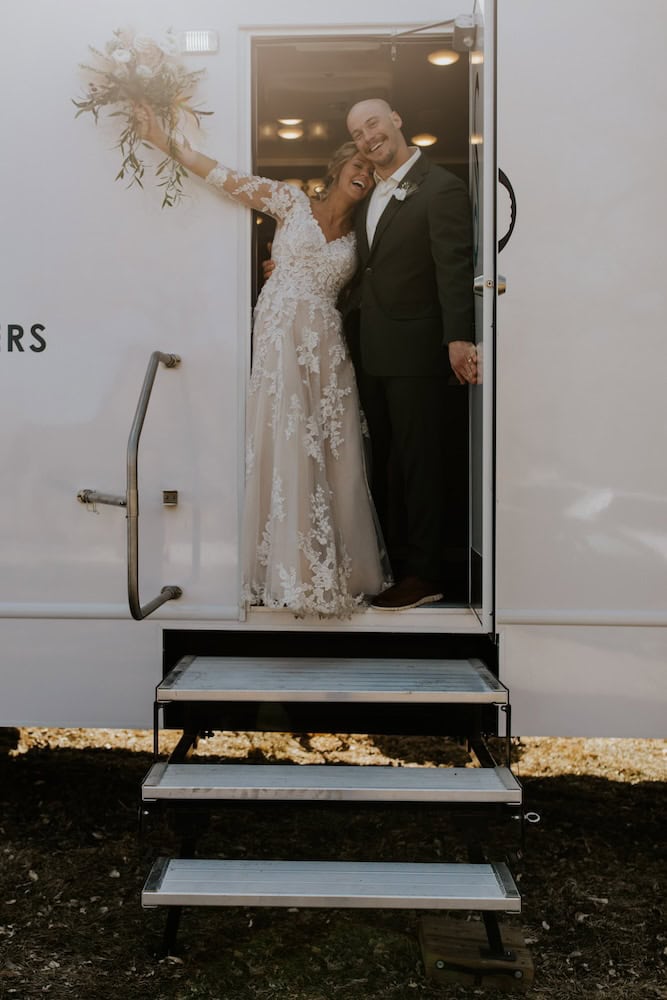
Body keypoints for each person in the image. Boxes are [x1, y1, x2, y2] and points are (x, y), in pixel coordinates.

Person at [136, 107, 391, 616]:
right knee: (284, 442)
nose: (363, 172)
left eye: (371, 169)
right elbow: (227, 179)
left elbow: (367, 294)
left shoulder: (364, 239)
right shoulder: (292, 203)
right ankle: (286, 571)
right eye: (356, 163)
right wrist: (166, 142)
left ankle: (338, 568)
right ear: (340, 168)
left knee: (332, 449)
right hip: (278, 337)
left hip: (325, 343)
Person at [344, 98, 476, 611]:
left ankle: (426, 573)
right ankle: (393, 561)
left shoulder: (441, 187)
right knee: (389, 461)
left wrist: (458, 337)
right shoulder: (367, 193)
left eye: (373, 123)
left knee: (422, 461)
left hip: (418, 350)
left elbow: (453, 266)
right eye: (357, 132)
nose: (367, 137)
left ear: (397, 119)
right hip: (372, 350)